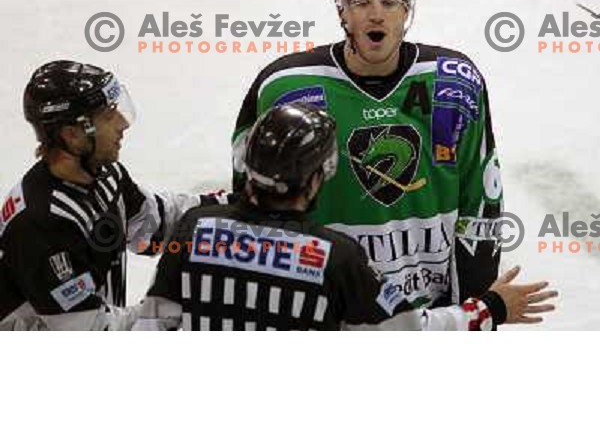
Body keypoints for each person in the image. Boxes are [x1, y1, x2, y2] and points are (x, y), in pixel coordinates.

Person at [232, 0, 506, 319]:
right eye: (361, 0)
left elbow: (480, 202)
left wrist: (471, 309)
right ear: (341, 9)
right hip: (322, 310)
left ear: (407, 8)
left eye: (390, 0)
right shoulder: (284, 86)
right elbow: (252, 203)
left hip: (429, 311)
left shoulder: (454, 81)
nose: (377, 13)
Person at [135, 104, 556, 331]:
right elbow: (407, 333)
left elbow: (152, 326)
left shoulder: (194, 230)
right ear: (319, 177)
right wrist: (490, 309)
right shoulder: (335, 257)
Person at [0, 60, 230, 331]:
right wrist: (175, 304)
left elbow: (152, 224)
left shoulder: (105, 175)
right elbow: (94, 332)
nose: (123, 123)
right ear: (72, 135)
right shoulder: (40, 225)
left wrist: (230, 206)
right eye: (108, 116)